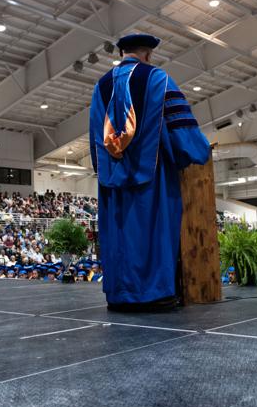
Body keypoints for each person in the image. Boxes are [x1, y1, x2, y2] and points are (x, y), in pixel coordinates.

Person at [89, 33, 210, 312]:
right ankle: (152, 295)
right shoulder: (158, 78)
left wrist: (106, 168)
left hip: (112, 182)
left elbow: (95, 136)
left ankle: (119, 295)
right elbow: (182, 129)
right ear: (148, 54)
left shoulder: (101, 85)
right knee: (152, 232)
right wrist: (198, 151)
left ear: (122, 53)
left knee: (119, 234)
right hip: (152, 178)